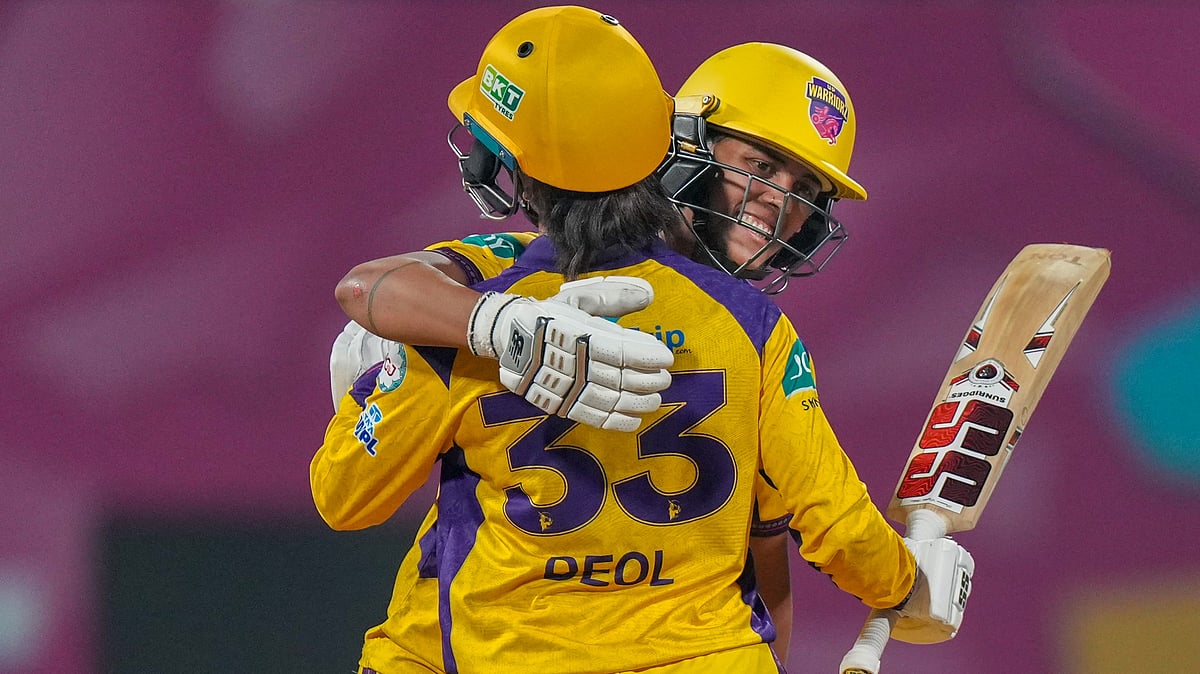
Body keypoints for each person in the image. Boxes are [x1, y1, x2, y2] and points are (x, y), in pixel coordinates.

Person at [312, 7, 972, 673]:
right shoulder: (753, 331)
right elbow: (827, 532)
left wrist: (381, 385)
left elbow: (345, 494)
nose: (779, 203)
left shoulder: (483, 293)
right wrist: (907, 582)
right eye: (762, 166)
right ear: (678, 142)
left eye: (805, 190)